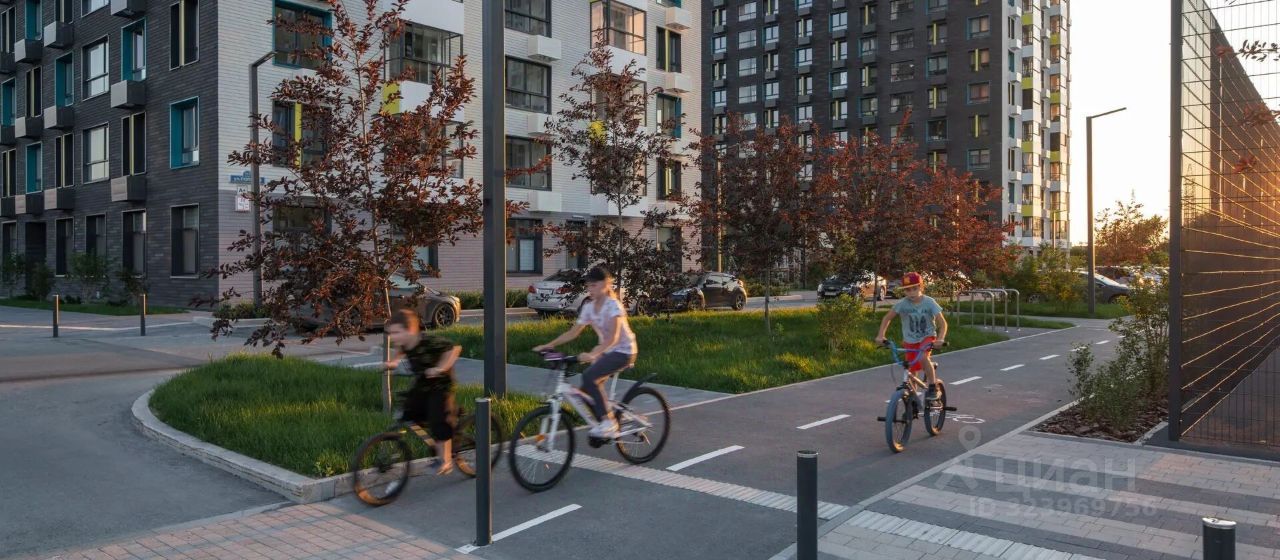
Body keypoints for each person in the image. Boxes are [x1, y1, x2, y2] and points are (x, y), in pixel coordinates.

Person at [533, 266, 637, 439]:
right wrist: (548, 345)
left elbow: (613, 337)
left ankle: (608, 423)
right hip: (607, 351)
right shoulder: (589, 307)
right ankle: (605, 422)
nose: (590, 289)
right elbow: (573, 332)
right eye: (588, 286)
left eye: (593, 285)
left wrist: (594, 353)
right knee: (585, 390)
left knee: (589, 377)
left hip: (624, 351)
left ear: (606, 284)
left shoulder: (613, 306)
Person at [384, 308, 462, 475]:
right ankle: (436, 443)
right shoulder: (405, 343)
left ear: (410, 330)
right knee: (408, 413)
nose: (393, 337)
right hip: (423, 384)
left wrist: (440, 368)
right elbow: (401, 350)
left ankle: (445, 461)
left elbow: (453, 349)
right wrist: (394, 362)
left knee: (439, 420)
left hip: (441, 385)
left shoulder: (428, 341)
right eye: (391, 333)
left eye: (396, 332)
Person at [875, 272, 948, 396]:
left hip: (927, 337)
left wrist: (940, 339)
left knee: (923, 357)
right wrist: (881, 335)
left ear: (921, 287)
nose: (911, 293)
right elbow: (887, 318)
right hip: (910, 340)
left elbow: (943, 323)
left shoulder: (929, 302)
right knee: (912, 369)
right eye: (907, 290)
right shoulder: (902, 303)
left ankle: (932, 386)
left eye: (914, 288)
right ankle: (913, 399)